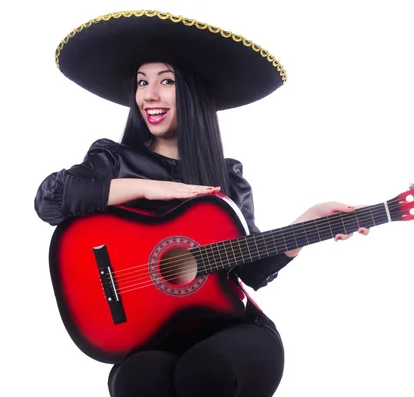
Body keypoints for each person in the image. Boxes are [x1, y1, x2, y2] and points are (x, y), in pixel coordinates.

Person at [34, 10, 369, 397]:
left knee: (203, 372)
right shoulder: (113, 160)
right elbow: (50, 201)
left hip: (231, 329)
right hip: (149, 335)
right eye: (142, 82)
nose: (149, 95)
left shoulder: (228, 177)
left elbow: (252, 271)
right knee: (137, 381)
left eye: (166, 81)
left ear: (192, 90)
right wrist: (145, 188)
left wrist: (308, 223)